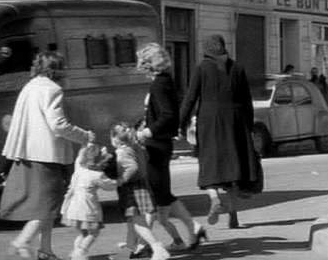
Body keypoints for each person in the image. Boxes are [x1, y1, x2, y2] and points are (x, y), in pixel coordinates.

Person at [0, 50, 96, 260]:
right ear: (56, 69)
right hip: (46, 155)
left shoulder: (29, 86)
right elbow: (58, 125)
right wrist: (84, 135)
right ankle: (23, 241)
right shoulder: (53, 90)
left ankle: (46, 250)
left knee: (45, 205)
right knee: (48, 205)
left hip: (26, 152)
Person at [180, 34, 261, 229]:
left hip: (209, 123)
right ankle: (233, 216)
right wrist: (249, 128)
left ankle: (214, 198)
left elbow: (190, 98)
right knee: (232, 170)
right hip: (236, 123)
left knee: (209, 164)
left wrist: (180, 123)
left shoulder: (201, 68)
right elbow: (247, 101)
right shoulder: (238, 68)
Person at [135, 43, 206, 250]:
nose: (140, 65)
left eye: (142, 61)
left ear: (149, 64)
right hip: (159, 144)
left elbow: (168, 115)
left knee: (155, 194)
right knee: (161, 193)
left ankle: (144, 245)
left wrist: (147, 132)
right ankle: (193, 228)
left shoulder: (159, 84)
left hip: (156, 145)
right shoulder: (163, 81)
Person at [110, 122, 170, 260]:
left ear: (114, 139)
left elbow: (132, 168)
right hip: (141, 186)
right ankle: (125, 254)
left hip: (131, 189)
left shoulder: (122, 152)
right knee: (132, 223)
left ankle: (157, 248)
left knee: (136, 222)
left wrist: (121, 179)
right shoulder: (137, 148)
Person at [60, 143, 117, 260]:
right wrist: (119, 181)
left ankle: (75, 252)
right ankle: (80, 252)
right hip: (87, 210)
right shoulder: (97, 175)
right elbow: (110, 186)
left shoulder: (78, 172)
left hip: (73, 209)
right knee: (93, 233)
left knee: (83, 233)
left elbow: (70, 189)